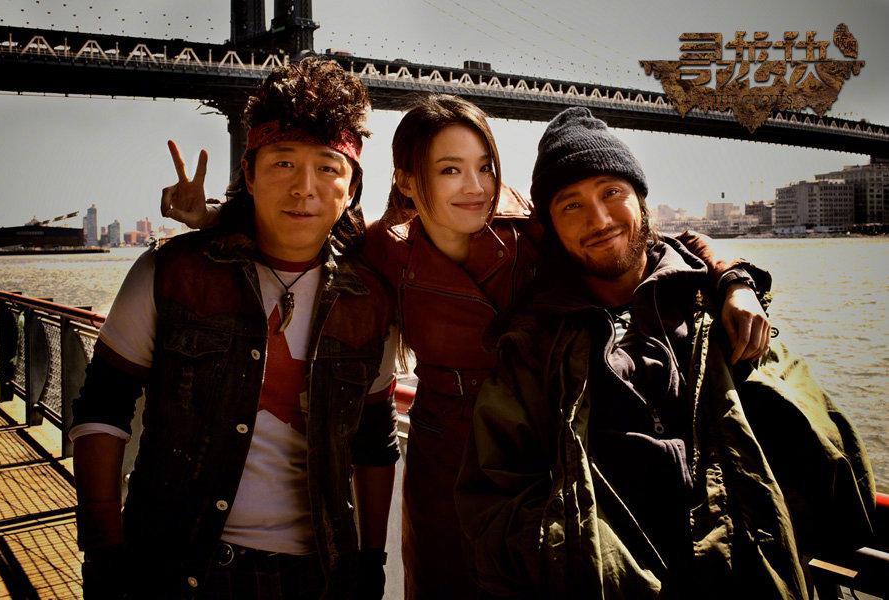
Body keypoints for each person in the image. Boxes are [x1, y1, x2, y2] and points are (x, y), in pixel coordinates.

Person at [164, 94, 772, 600]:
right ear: (408, 180)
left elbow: (652, 244)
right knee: (444, 579)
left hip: (537, 437)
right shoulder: (385, 251)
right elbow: (306, 231)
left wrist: (734, 281)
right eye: (450, 170)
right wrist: (211, 218)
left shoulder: (530, 231)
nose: (476, 187)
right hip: (441, 447)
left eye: (485, 166)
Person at [454, 107, 876, 599]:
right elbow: (494, 498)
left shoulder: (720, 312)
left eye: (612, 193)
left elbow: (822, 441)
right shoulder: (531, 346)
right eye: (571, 205)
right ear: (549, 227)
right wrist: (597, 567)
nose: (599, 220)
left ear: (641, 199)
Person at [71, 58, 399, 599]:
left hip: (319, 578)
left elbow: (374, 443)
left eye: (328, 168)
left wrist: (370, 562)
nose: (305, 188)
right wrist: (103, 548)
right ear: (249, 174)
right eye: (283, 163)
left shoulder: (369, 302)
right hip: (172, 568)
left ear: (352, 187)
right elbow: (103, 408)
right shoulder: (171, 273)